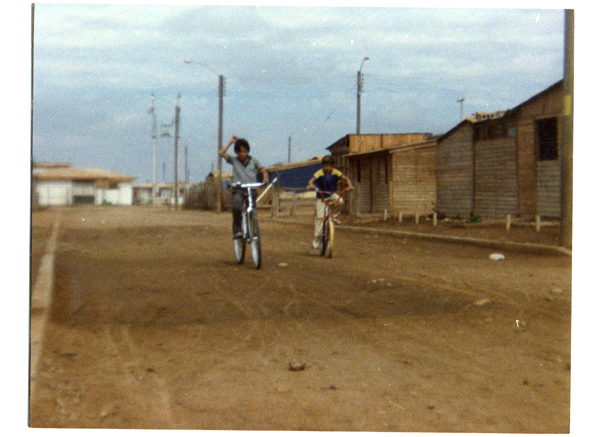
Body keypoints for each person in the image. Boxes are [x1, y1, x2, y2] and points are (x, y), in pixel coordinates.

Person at [219, 136, 268, 239]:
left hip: (251, 189)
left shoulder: (254, 160)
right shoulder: (234, 160)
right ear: (236, 152)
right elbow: (221, 153)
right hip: (238, 190)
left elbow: (263, 170)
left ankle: (253, 229)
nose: (242, 154)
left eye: (244, 151)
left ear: (247, 151)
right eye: (240, 152)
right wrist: (230, 142)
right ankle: (237, 230)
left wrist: (265, 177)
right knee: (237, 207)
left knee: (252, 209)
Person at [307, 155, 354, 249]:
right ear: (323, 166)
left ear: (332, 166)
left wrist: (350, 186)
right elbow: (311, 181)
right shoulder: (319, 173)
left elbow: (346, 179)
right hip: (321, 196)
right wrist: (312, 186)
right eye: (326, 166)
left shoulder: (336, 172)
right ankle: (317, 239)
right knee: (319, 218)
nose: (328, 168)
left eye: (330, 166)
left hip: (331, 194)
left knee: (340, 201)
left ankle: (334, 216)